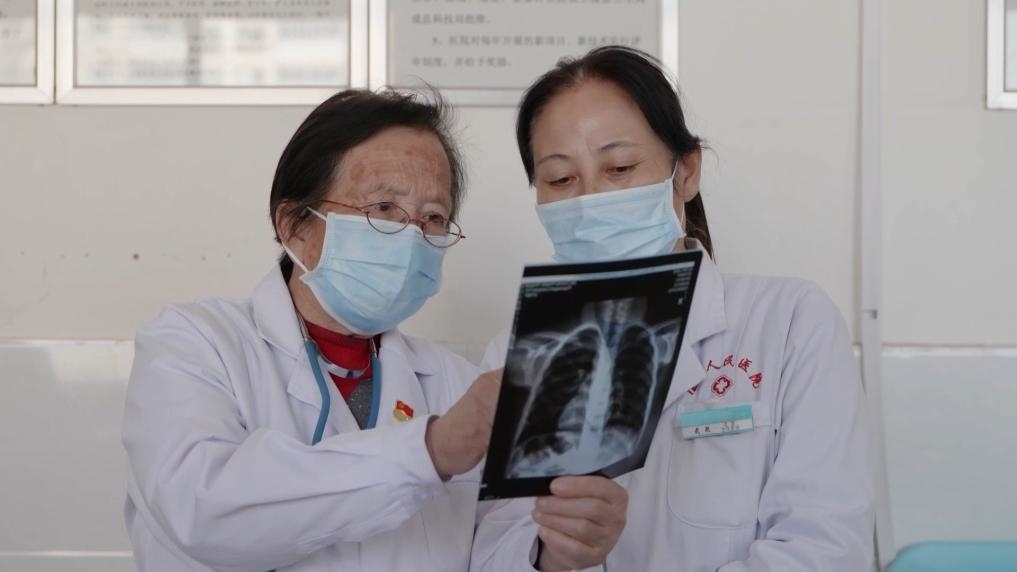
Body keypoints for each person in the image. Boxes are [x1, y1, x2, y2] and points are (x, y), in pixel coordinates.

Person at [471, 46, 874, 572]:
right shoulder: (513, 356)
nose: (591, 199)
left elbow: (824, 548)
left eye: (619, 167)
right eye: (561, 179)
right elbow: (489, 549)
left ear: (686, 173)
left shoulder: (790, 322)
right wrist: (547, 556)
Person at [122, 90, 500, 572]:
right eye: (383, 207)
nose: (411, 236)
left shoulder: (457, 385)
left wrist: (544, 552)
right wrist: (430, 450)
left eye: (433, 217)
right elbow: (203, 510)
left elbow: (497, 546)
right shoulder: (193, 346)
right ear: (294, 225)